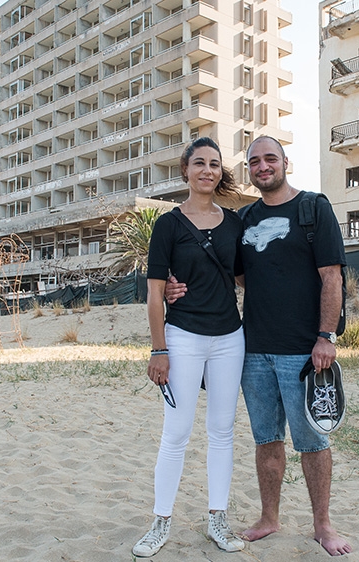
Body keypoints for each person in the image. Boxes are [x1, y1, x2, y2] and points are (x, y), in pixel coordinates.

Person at [167, 136, 353, 556]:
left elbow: (332, 278)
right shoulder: (243, 219)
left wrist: (325, 337)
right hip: (252, 350)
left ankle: (322, 525)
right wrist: (177, 287)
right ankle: (270, 517)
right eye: (255, 161)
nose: (263, 166)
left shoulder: (314, 209)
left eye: (271, 158)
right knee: (266, 439)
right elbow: (223, 270)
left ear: (286, 162)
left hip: (304, 351)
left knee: (312, 442)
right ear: (249, 169)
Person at [133, 137, 246, 558]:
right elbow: (155, 294)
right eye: (199, 163)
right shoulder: (169, 225)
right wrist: (158, 350)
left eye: (214, 164)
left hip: (229, 339)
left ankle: (217, 518)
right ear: (186, 169)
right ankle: (160, 522)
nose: (207, 171)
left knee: (222, 433)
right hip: (182, 337)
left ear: (220, 172)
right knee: (176, 433)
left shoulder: (235, 222)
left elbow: (240, 277)